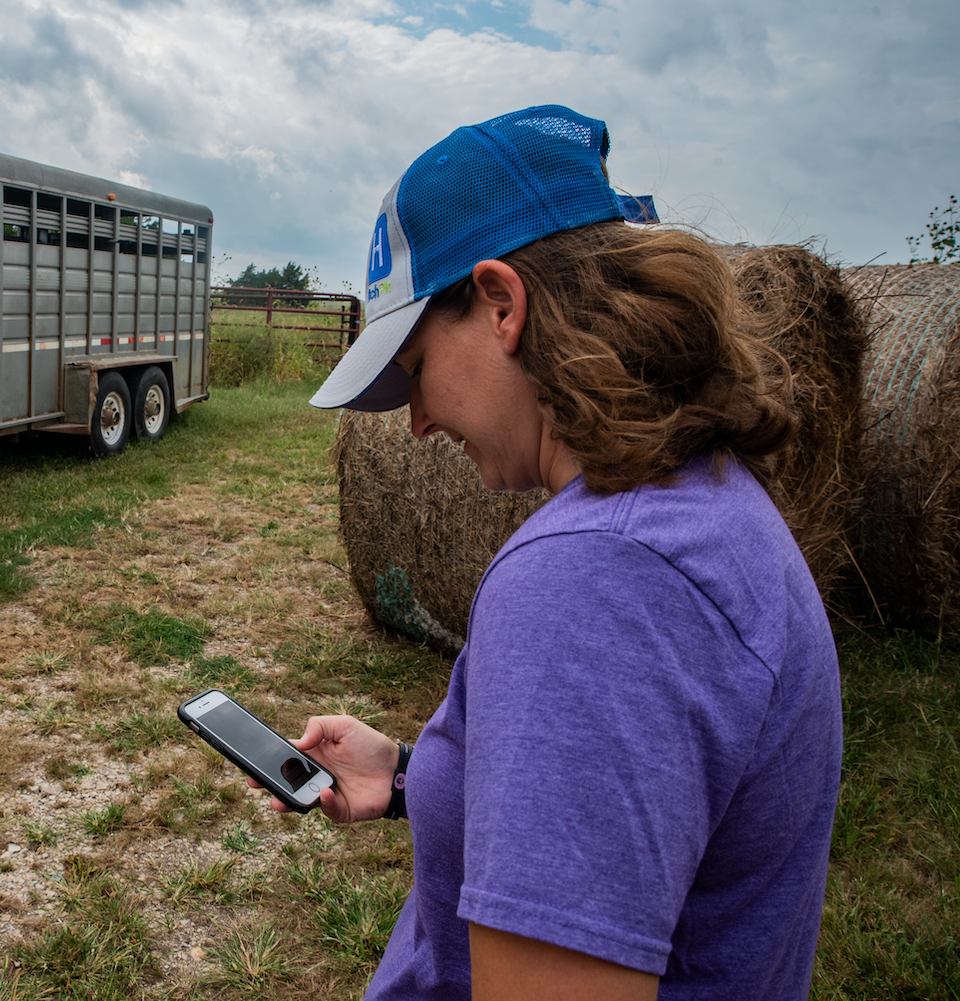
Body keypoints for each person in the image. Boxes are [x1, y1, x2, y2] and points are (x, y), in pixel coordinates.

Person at [257, 107, 844, 1000]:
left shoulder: (595, 579)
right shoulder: (696, 503)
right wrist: (418, 775)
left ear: (501, 304)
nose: (413, 422)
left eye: (415, 368)